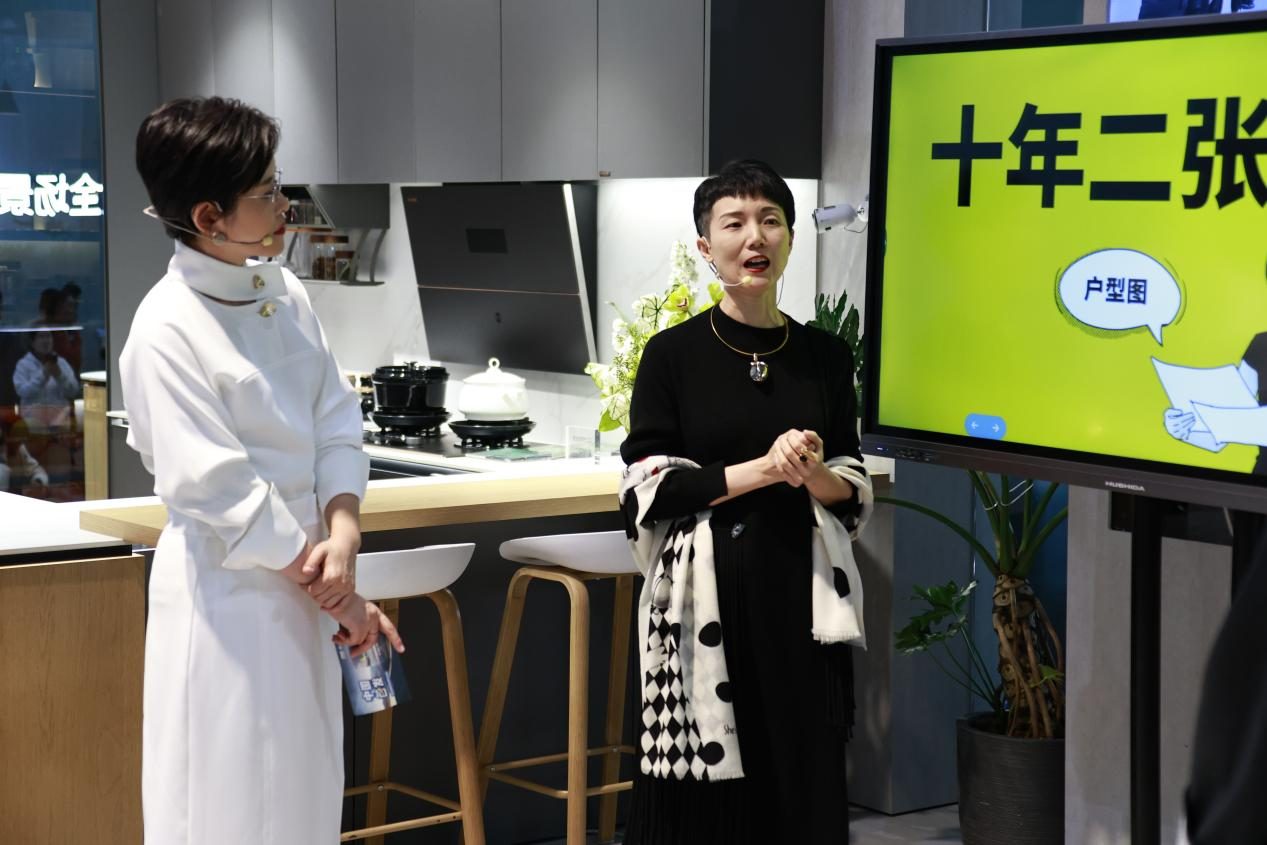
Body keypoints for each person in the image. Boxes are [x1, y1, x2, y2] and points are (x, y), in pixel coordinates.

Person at [123, 96, 400, 845]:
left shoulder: (287, 293)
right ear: (209, 217)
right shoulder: (165, 327)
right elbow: (225, 494)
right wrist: (342, 596)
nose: (285, 205)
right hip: (229, 598)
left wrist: (344, 531)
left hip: (306, 583)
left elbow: (336, 421)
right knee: (226, 800)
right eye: (268, 192)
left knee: (304, 795)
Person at [618, 159, 870, 844]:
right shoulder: (672, 354)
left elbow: (849, 486)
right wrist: (764, 467)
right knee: (706, 796)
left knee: (800, 772)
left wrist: (809, 470)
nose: (754, 237)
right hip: (707, 594)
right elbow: (650, 487)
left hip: (803, 591)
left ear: (789, 239)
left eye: (770, 221)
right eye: (734, 224)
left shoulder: (824, 355)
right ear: (707, 246)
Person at [12, 329, 79, 431]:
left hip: (60, 421)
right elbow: (23, 392)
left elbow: (73, 391)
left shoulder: (61, 363)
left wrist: (59, 375)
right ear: (32, 342)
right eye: (41, 337)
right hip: (33, 423)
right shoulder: (23, 365)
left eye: (48, 336)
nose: (46, 341)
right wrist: (43, 375)